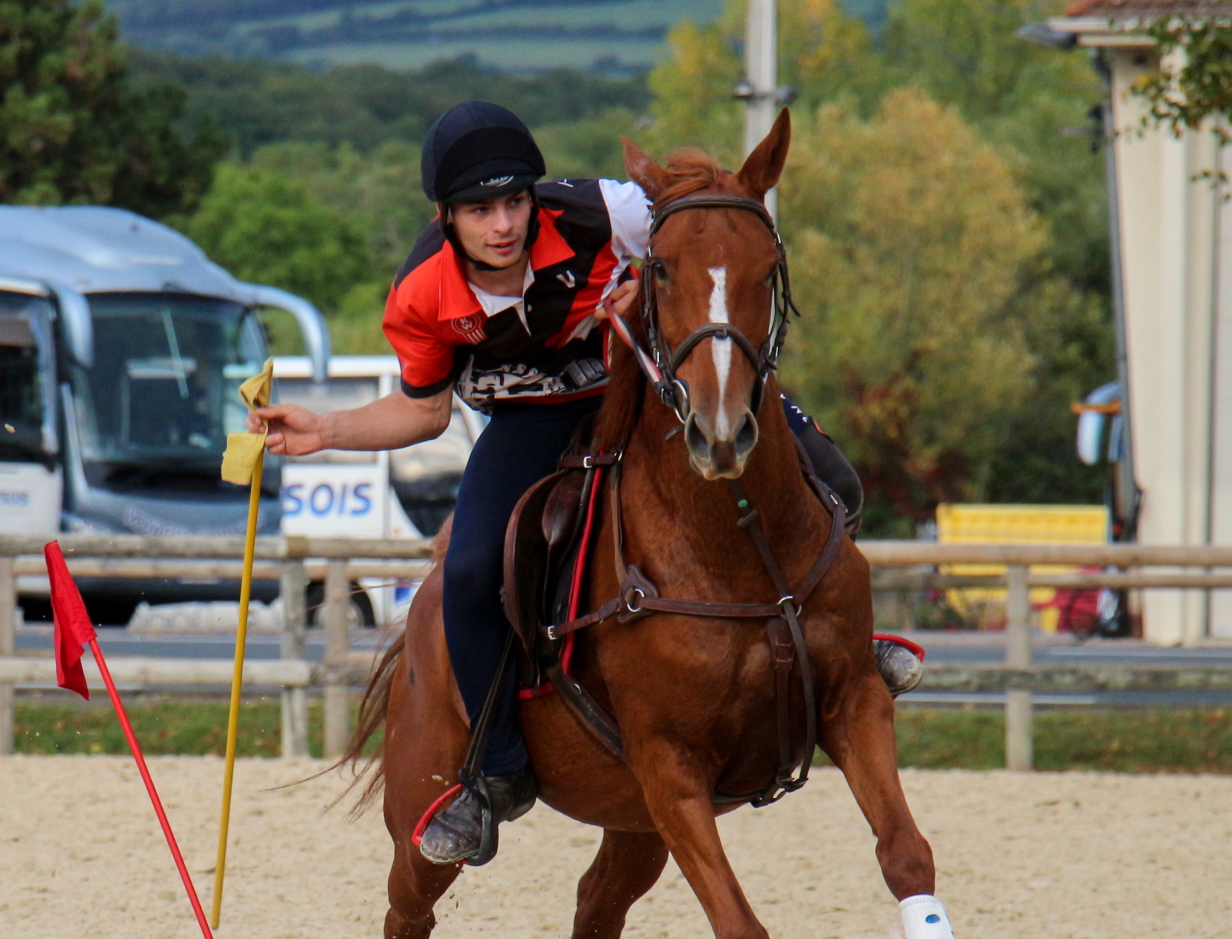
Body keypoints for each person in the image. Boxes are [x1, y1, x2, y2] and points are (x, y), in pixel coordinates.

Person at [250, 101, 921, 867]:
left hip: (647, 385)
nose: (502, 224)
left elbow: (704, 240)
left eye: (514, 203)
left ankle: (848, 653)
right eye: (479, 210)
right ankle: (493, 775)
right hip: (533, 423)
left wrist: (664, 276)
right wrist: (327, 430)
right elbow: (424, 411)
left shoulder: (607, 209)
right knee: (468, 575)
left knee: (833, 478)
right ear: (446, 217)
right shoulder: (422, 292)